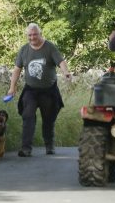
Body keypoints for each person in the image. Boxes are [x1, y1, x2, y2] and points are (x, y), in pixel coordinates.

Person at [7, 23, 71, 157]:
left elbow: (61, 61)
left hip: (48, 91)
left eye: (34, 34)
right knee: (28, 116)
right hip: (30, 90)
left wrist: (66, 72)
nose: (32, 37)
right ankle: (26, 148)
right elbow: (17, 70)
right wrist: (12, 87)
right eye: (29, 35)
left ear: (40, 34)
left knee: (48, 119)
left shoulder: (49, 47)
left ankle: (49, 145)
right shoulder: (24, 50)